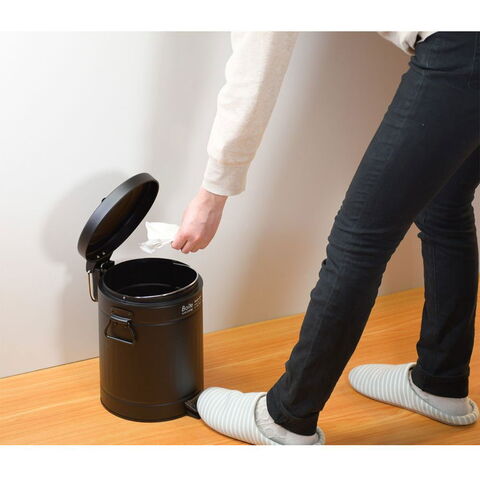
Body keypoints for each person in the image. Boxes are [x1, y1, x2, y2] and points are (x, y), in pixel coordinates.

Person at [171, 31, 480, 445]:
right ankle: (441, 382)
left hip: (460, 48)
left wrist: (213, 191)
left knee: (359, 241)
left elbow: (257, 66)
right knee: (446, 205)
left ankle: (285, 419)